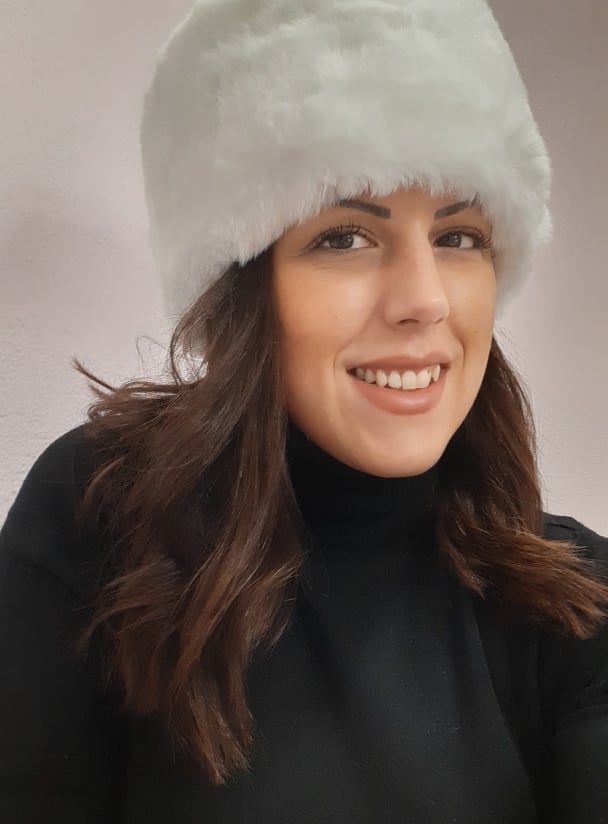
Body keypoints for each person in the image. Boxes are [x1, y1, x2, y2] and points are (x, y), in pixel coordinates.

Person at [1, 0, 607, 821]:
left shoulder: (574, 596)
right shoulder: (101, 515)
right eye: (345, 236)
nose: (426, 299)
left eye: (459, 236)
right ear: (243, 284)